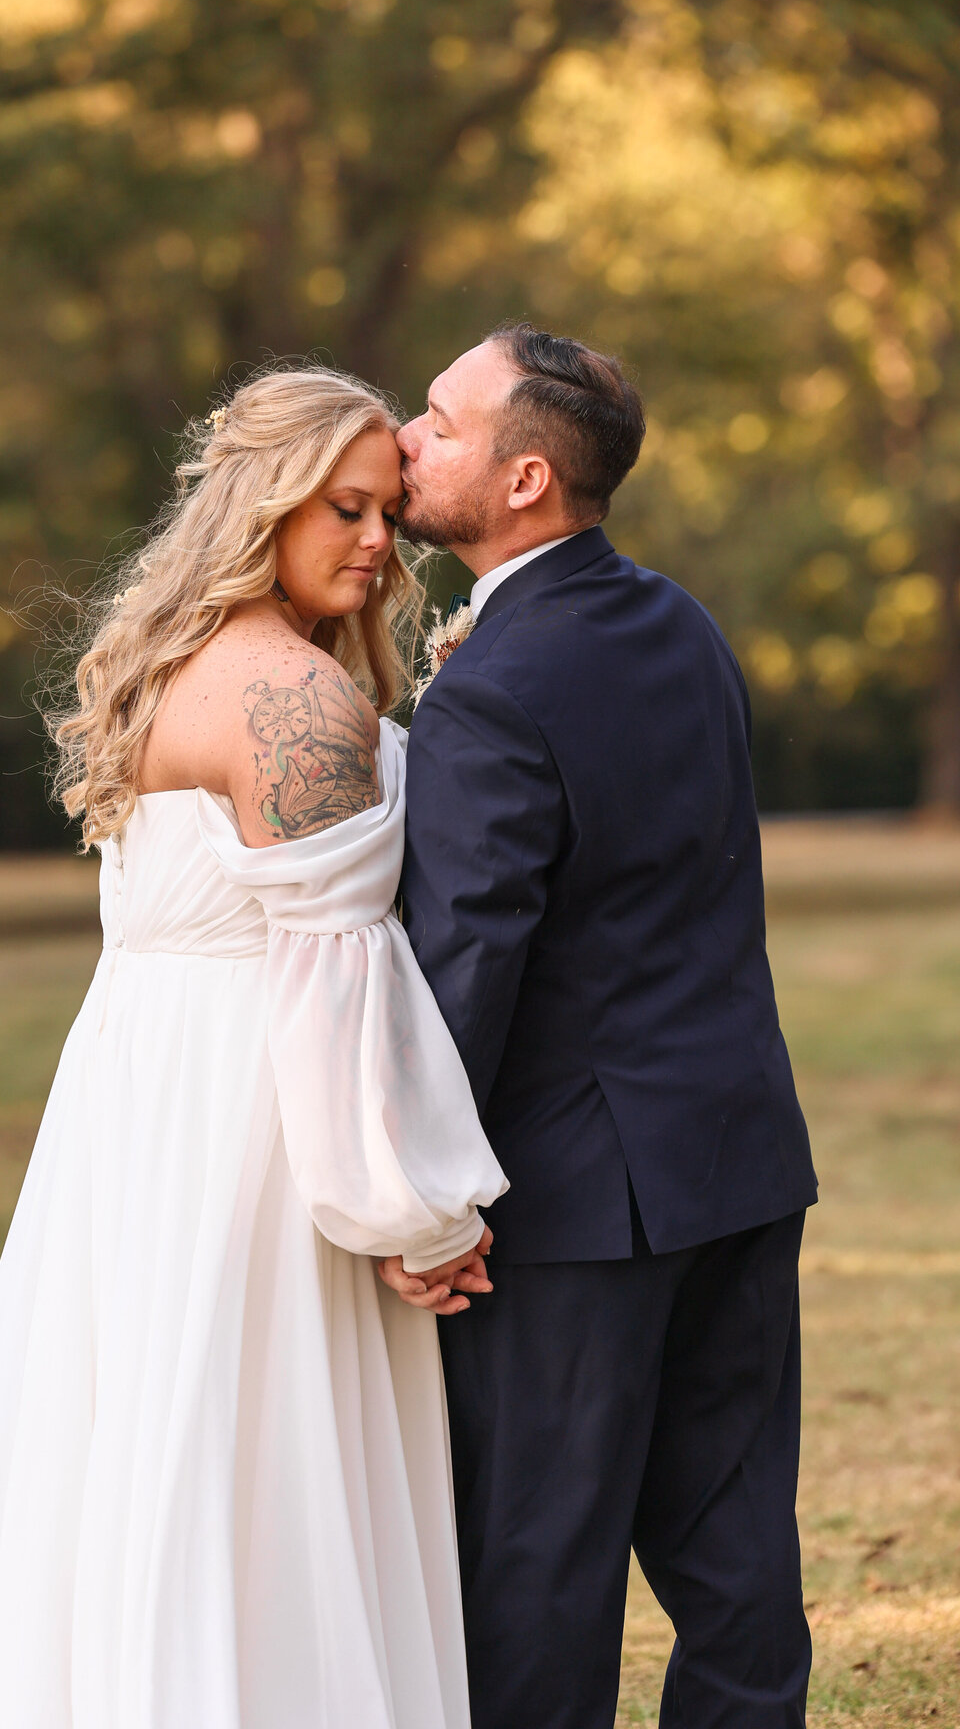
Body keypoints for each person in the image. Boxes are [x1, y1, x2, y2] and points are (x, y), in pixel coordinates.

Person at [0, 366, 507, 1729]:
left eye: (391, 513)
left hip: (136, 1096)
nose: (380, 543)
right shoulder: (296, 706)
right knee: (252, 1453)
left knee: (134, 1441)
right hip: (249, 1120)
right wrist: (408, 1206)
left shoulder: (169, 666)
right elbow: (342, 984)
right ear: (262, 503)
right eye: (346, 509)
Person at [380, 324, 819, 1729]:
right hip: (737, 1157)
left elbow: (467, 964)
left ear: (521, 482)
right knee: (735, 1556)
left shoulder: (495, 685)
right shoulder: (678, 621)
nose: (405, 437)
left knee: (535, 1570)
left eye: (438, 424)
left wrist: (418, 1191)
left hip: (576, 1205)